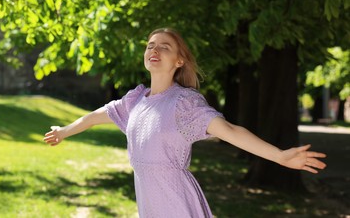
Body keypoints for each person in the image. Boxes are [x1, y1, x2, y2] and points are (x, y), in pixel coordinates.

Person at [43, 28, 327, 218]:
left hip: (176, 202)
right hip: (149, 204)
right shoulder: (135, 102)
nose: (154, 49)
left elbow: (228, 131)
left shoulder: (184, 104)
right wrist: (64, 131)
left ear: (179, 61)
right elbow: (95, 116)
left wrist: (279, 155)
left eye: (164, 47)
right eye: (150, 45)